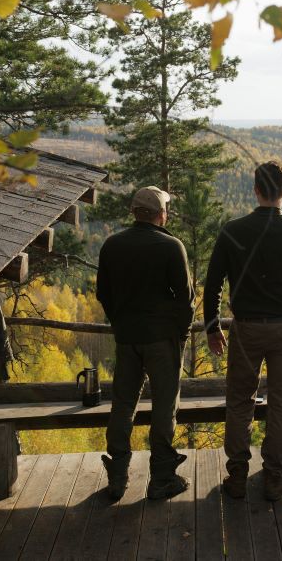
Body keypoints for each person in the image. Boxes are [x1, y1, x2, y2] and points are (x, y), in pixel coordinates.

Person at [203, 160, 282, 501]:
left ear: (255, 190)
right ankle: (273, 477)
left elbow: (213, 284)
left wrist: (212, 327)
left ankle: (237, 476)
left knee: (240, 401)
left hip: (245, 330)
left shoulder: (232, 231)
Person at [96, 186, 194, 501]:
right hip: (162, 340)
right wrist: (181, 334)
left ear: (135, 212)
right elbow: (186, 300)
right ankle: (162, 478)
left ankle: (118, 476)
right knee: (165, 406)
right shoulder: (171, 246)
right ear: (160, 214)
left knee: (123, 404)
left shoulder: (112, 245)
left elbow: (103, 293)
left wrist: (120, 323)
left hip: (127, 339)